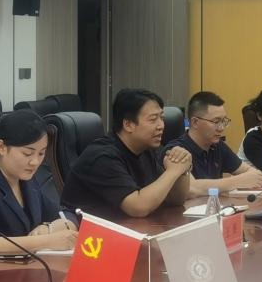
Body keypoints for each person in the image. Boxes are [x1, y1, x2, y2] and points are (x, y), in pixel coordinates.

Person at [0, 110, 78, 266]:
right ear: (2, 147)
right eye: (27, 154)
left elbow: (68, 214)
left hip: (21, 272)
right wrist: (47, 240)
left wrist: (49, 228)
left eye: (41, 154)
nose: (35, 162)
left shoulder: (27, 182)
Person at [60, 88, 191, 218]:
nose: (161, 125)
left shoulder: (147, 149)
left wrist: (182, 169)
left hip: (129, 226)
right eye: (153, 119)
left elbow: (175, 200)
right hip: (86, 229)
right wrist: (172, 172)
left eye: (162, 118)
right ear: (128, 124)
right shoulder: (103, 157)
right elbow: (138, 207)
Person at [164, 91, 262, 196]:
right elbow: (190, 188)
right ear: (195, 122)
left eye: (224, 121)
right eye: (216, 121)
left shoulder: (217, 145)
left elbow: (249, 171)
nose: (221, 128)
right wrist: (238, 181)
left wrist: (253, 177)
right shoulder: (175, 150)